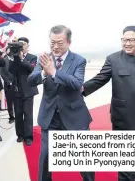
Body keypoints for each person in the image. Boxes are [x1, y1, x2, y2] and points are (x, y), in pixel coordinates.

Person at [82, 26, 135, 181]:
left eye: (131, 40)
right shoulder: (113, 59)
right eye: (124, 40)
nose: (127, 43)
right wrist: (79, 90)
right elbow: (99, 79)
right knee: (127, 167)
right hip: (124, 119)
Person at [27, 25, 95, 181]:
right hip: (50, 117)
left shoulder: (79, 60)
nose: (55, 47)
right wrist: (44, 72)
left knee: (84, 159)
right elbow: (31, 81)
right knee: (46, 158)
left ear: (69, 42)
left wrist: (54, 72)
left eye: (60, 43)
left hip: (74, 117)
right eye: (52, 43)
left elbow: (77, 84)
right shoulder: (44, 59)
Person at [9, 37, 38, 145]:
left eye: (23, 44)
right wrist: (15, 58)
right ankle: (20, 135)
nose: (21, 46)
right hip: (17, 90)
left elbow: (31, 68)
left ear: (27, 46)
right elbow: (10, 70)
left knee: (28, 114)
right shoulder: (14, 57)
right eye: (19, 44)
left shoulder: (32, 57)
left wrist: (22, 59)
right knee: (18, 113)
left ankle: (28, 136)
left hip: (29, 90)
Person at [0, 47, 15, 124]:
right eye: (9, 50)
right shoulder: (4, 60)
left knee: (17, 102)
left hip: (17, 84)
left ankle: (18, 116)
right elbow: (2, 73)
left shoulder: (16, 59)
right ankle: (11, 117)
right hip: (8, 84)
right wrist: (8, 81)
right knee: (9, 102)